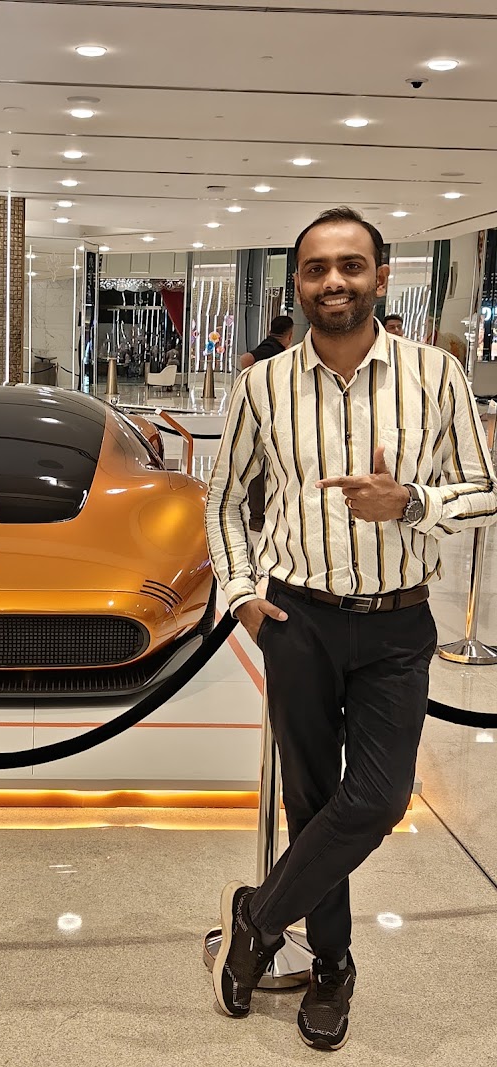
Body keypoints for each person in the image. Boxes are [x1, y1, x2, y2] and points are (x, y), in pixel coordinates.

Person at [205, 206, 497, 1052]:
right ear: (297, 282)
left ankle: (258, 917)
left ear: (381, 275)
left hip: (398, 623)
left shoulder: (435, 375)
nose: (334, 280)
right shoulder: (262, 385)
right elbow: (222, 499)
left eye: (351, 265)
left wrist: (411, 502)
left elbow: (485, 490)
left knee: (377, 797)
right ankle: (332, 964)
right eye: (316, 268)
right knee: (310, 801)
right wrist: (241, 592)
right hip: (296, 619)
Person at [241, 316, 295, 529]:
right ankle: (265, 514)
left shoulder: (267, 348)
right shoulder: (276, 352)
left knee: (257, 464)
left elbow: (246, 360)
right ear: (289, 335)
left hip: (257, 411)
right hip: (272, 414)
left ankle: (258, 515)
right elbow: (247, 358)